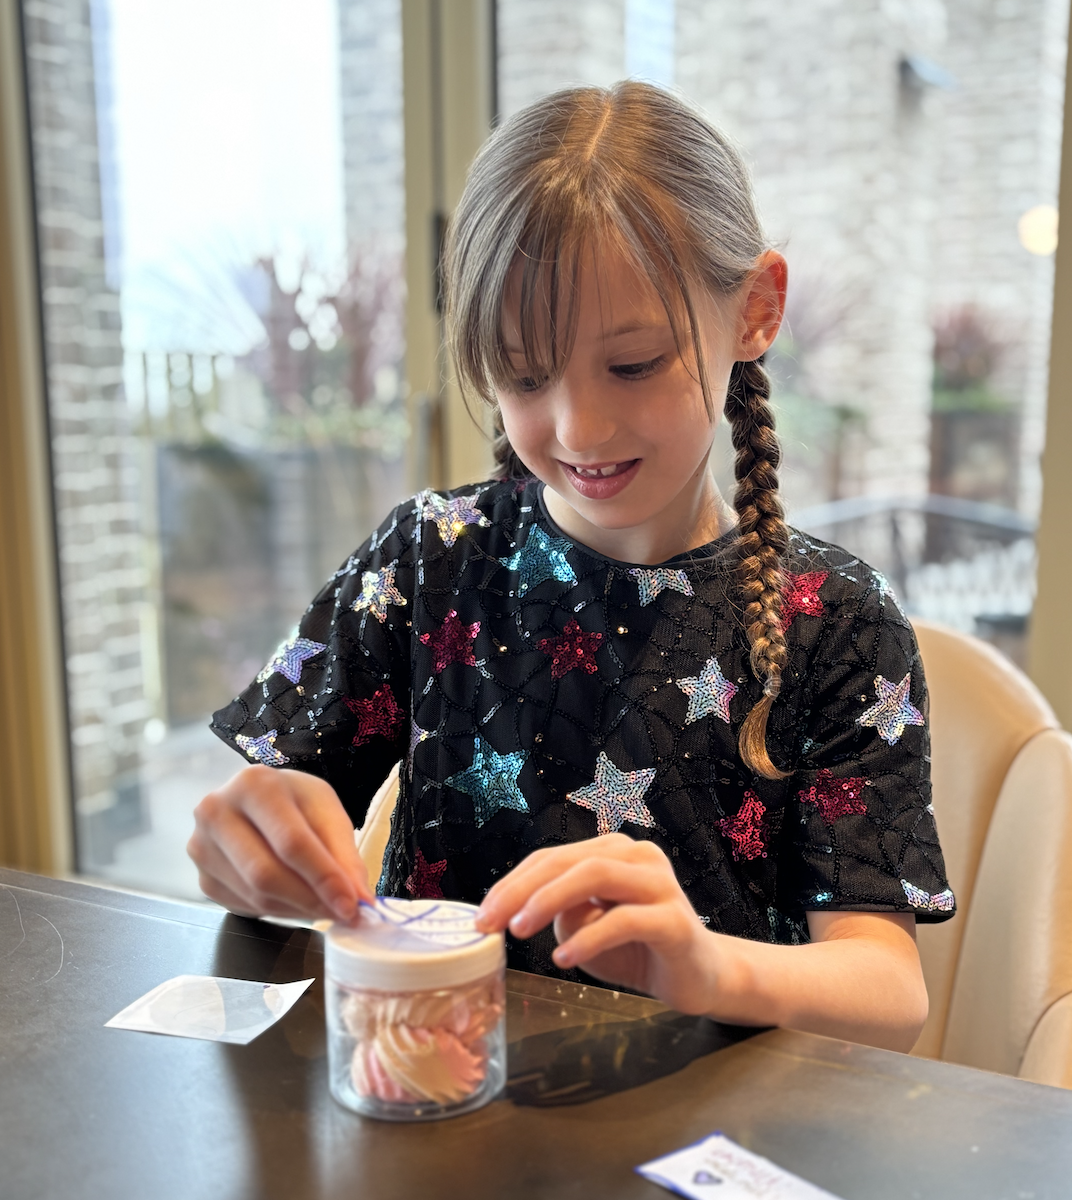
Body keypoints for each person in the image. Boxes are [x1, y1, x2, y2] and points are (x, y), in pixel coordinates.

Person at [190, 81, 953, 1052]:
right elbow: (253, 841)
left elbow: (887, 992)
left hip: (712, 1134)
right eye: (521, 373)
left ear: (755, 309)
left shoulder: (833, 619)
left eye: (632, 364)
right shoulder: (424, 563)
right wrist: (246, 848)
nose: (579, 426)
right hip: (435, 1097)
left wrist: (703, 967)